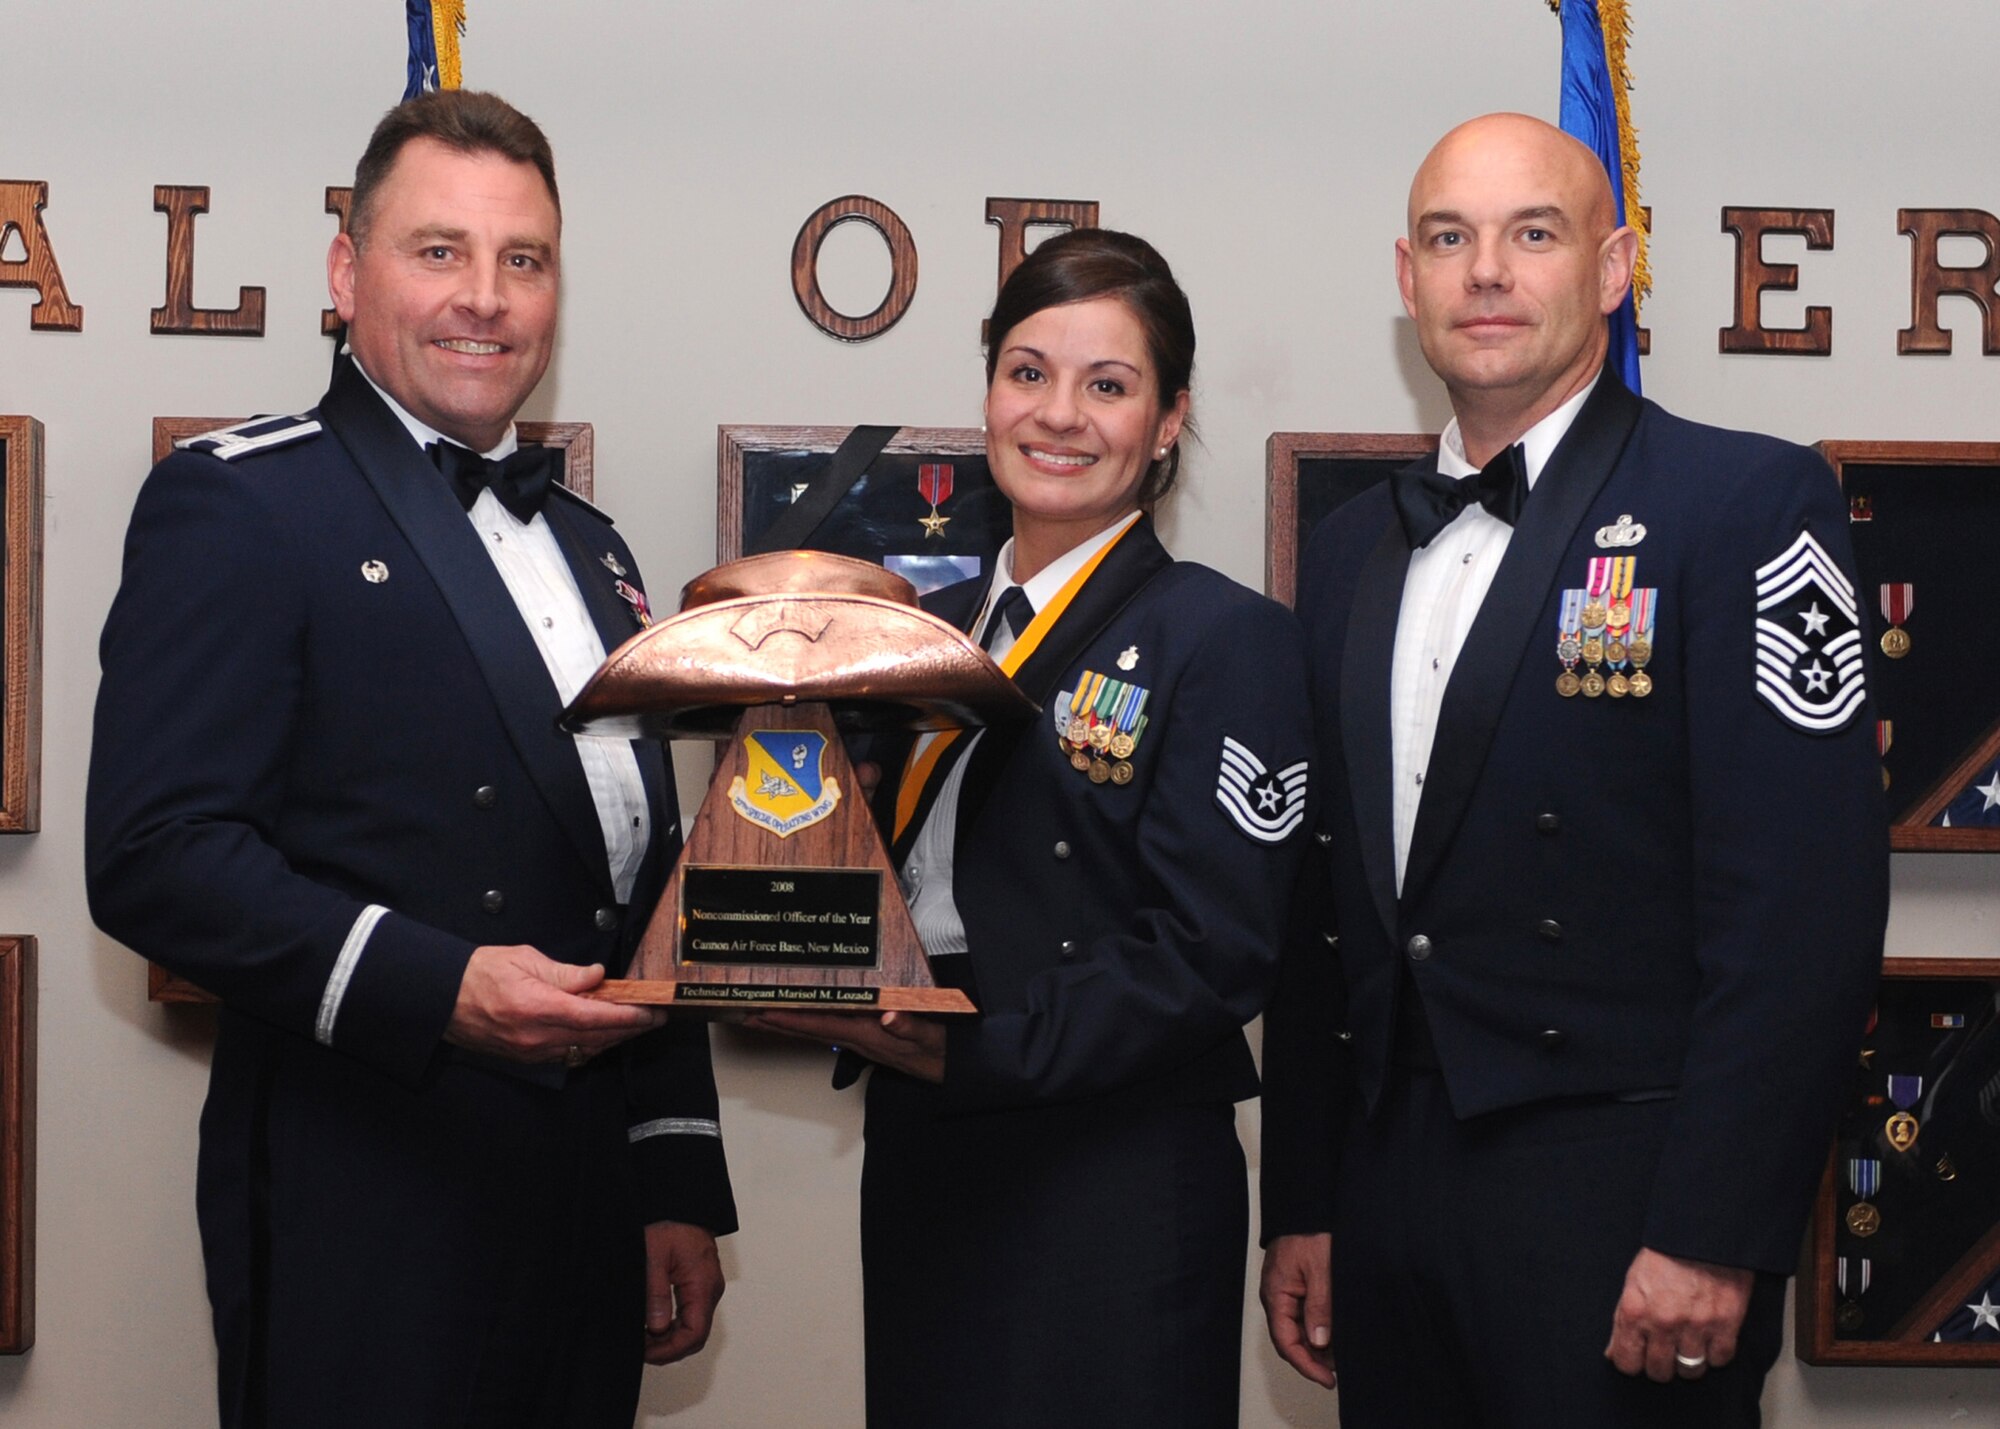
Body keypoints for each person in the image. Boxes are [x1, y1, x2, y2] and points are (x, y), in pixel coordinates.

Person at [85, 90, 735, 1428]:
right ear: (346, 273)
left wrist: (670, 1172)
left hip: (582, 1193)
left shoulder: (595, 552)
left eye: (522, 259)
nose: (484, 297)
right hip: (366, 1185)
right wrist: (442, 987)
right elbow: (156, 855)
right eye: (440, 251)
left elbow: (635, 878)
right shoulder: (244, 501)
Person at [1258, 112, 1888, 1426]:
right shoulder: (1352, 547)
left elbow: (1801, 912)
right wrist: (1306, 1197)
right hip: (1389, 1197)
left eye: (1531, 234)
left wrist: (1713, 1227)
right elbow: (1324, 913)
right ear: (1407, 277)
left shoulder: (1744, 505)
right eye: (1449, 239)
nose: (1486, 270)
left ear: (1611, 269)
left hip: (1628, 1199)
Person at [750, 228, 1314, 1426]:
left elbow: (1213, 949)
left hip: (1112, 1174)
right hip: (927, 1146)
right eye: (1027, 372)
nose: (1059, 414)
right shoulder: (920, 633)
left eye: (1107, 384)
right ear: (987, 395)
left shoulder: (1224, 638)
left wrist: (971, 1047)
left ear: (1167, 420)